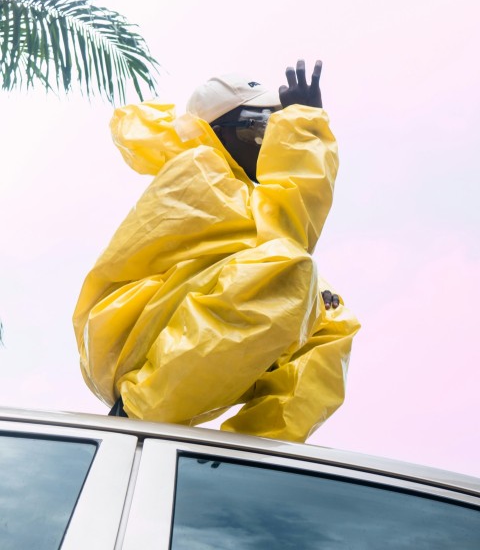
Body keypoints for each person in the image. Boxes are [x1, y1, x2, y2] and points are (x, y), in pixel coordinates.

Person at [73, 59, 360, 442]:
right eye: (262, 128)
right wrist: (305, 129)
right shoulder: (200, 170)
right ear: (218, 133)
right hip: (129, 343)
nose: (270, 142)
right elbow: (287, 238)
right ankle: (139, 413)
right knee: (287, 271)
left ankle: (255, 454)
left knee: (329, 316)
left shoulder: (244, 193)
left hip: (177, 325)